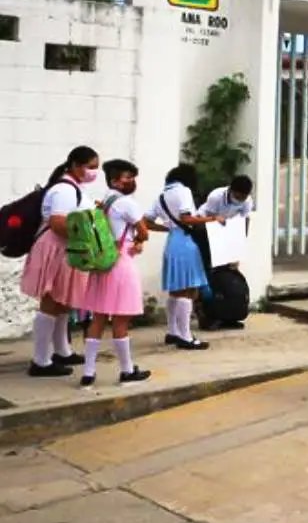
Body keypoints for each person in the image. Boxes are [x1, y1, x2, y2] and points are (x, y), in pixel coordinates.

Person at [21, 145, 98, 377]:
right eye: (91, 167)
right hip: (57, 249)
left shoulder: (74, 188)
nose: (94, 172)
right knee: (51, 301)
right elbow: (58, 222)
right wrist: (87, 236)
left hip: (67, 249)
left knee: (63, 301)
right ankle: (41, 360)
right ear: (75, 165)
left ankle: (62, 351)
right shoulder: (64, 190)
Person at [77, 159, 151, 386]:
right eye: (127, 177)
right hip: (121, 264)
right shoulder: (127, 203)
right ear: (115, 180)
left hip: (102, 264)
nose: (131, 181)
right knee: (121, 320)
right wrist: (138, 241)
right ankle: (127, 370)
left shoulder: (104, 202)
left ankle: (88, 372)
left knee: (98, 319)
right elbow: (144, 232)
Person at [145, 165, 222, 351]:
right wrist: (213, 220)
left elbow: (146, 221)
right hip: (186, 243)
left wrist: (168, 228)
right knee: (189, 290)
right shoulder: (184, 191)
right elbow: (186, 218)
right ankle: (185, 335)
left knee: (176, 290)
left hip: (172, 242)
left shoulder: (161, 196)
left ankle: (173, 331)